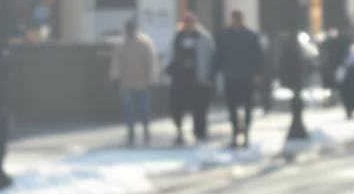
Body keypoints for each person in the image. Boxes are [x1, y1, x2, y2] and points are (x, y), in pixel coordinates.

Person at [214, 9, 267, 146]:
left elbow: (258, 56)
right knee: (232, 108)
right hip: (231, 77)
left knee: (247, 107)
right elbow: (219, 56)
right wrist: (218, 71)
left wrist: (257, 73)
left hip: (246, 77)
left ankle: (246, 133)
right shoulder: (224, 36)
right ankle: (235, 133)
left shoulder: (251, 36)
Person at [107, 17, 160, 146]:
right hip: (126, 81)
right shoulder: (121, 45)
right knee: (128, 107)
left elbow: (152, 61)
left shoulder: (144, 43)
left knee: (143, 108)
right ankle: (130, 130)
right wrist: (114, 76)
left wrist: (153, 78)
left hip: (142, 82)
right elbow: (116, 62)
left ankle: (146, 128)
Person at [170, 10, 216, 144]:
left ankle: (200, 132)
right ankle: (179, 131)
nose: (188, 25)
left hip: (198, 80)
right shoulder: (177, 38)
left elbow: (210, 56)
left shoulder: (203, 38)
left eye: (191, 22)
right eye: (186, 22)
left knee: (200, 109)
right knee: (177, 107)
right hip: (180, 79)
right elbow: (171, 56)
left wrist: (209, 75)